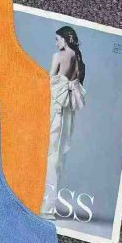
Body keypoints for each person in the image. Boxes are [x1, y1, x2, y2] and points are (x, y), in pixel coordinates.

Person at [42, 26, 86, 219]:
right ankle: (48, 205)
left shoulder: (58, 56)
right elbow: (77, 85)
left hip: (55, 109)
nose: (56, 43)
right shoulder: (78, 59)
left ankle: (45, 207)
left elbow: (48, 82)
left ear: (66, 39)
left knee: (48, 154)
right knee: (57, 156)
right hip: (67, 112)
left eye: (57, 39)